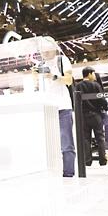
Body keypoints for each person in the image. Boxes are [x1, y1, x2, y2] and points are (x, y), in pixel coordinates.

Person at [39, 46, 75, 177]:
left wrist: (53, 76)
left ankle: (68, 172)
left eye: (47, 48)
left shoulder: (62, 60)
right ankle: (50, 170)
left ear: (54, 48)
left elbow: (69, 80)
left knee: (66, 141)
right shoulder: (40, 64)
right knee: (47, 142)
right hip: (46, 107)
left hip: (62, 106)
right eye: (42, 49)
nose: (44, 51)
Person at [76, 67, 108, 166]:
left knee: (86, 138)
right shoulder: (96, 85)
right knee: (100, 137)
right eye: (93, 73)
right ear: (89, 74)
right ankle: (102, 160)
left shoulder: (78, 86)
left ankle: (87, 161)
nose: (94, 76)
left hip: (83, 115)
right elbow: (102, 99)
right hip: (96, 115)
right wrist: (105, 107)